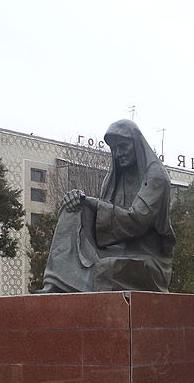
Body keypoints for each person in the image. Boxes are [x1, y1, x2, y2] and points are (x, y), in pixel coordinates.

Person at [40, 119, 175, 292]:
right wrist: (80, 200)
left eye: (123, 146)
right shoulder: (113, 178)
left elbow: (137, 221)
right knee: (73, 207)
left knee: (107, 268)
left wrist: (91, 201)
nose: (118, 153)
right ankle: (55, 283)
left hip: (149, 259)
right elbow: (102, 221)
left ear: (137, 144)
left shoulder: (156, 176)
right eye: (114, 148)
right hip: (116, 249)